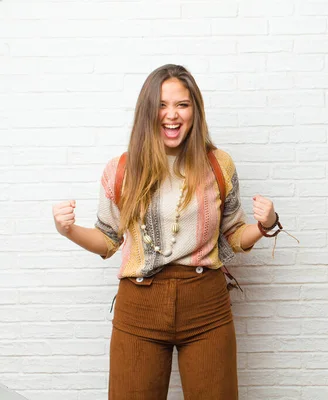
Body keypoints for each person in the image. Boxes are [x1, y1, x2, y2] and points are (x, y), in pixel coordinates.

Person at [51, 64, 280, 400]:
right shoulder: (122, 169)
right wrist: (67, 230)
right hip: (139, 307)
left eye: (182, 105)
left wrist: (264, 226)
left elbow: (233, 236)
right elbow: (108, 239)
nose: (171, 115)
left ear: (195, 111)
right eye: (161, 105)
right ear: (148, 111)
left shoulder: (219, 164)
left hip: (206, 306)